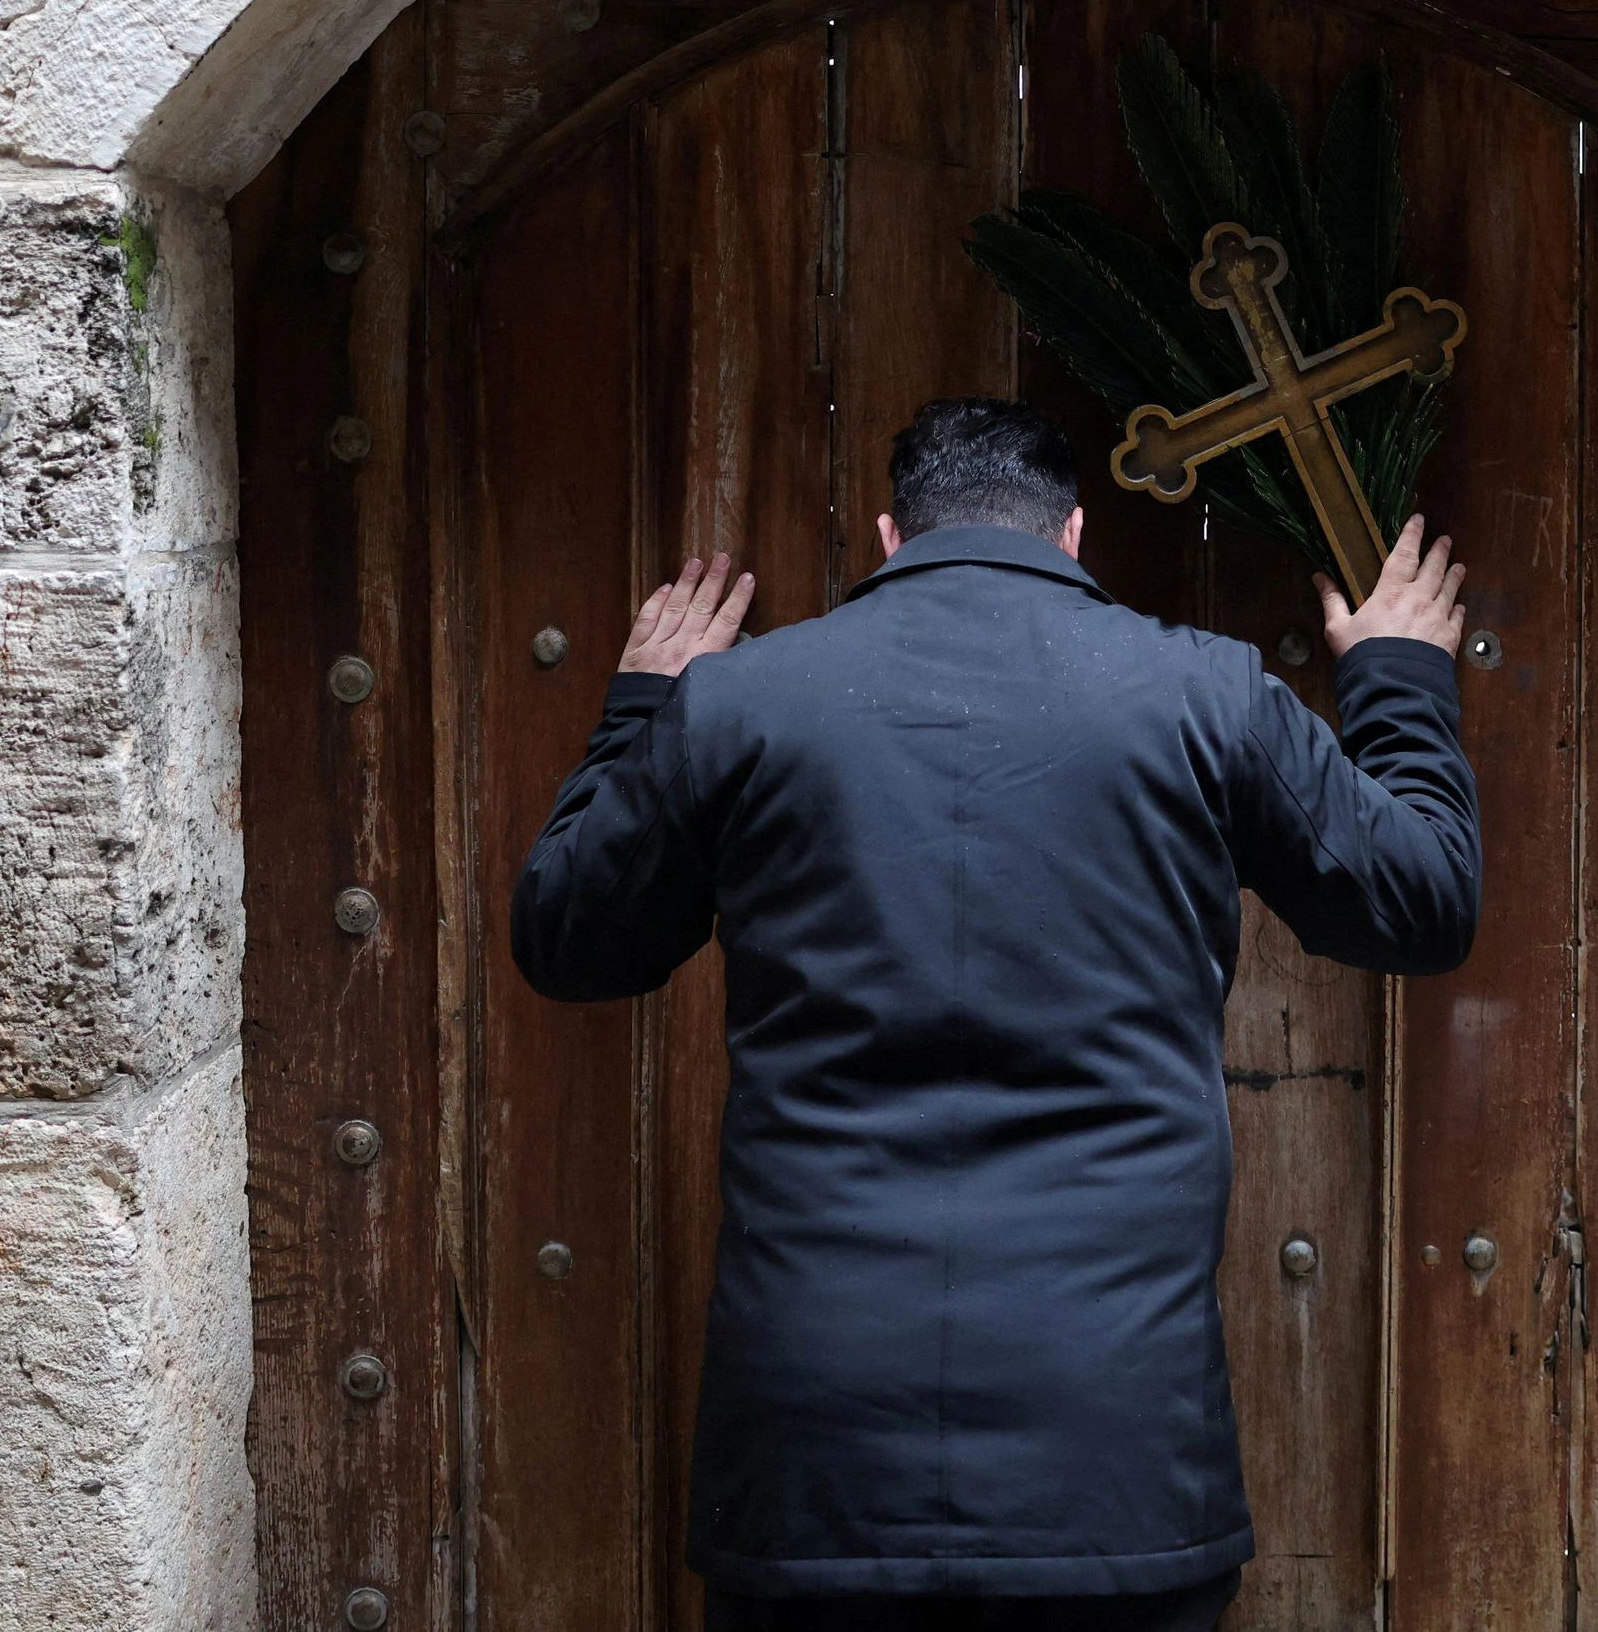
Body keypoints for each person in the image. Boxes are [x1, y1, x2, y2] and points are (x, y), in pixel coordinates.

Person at [515, 395, 1482, 1632]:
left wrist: (647, 701)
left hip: (816, 1473)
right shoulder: (1206, 696)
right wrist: (1396, 681)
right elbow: (1424, 902)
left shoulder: (739, 704)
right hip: (1115, 1466)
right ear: (1072, 535)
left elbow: (569, 941)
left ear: (887, 536)